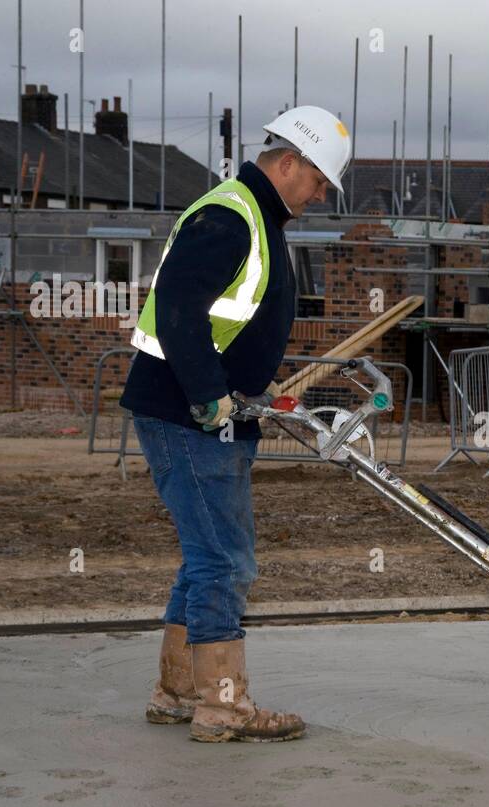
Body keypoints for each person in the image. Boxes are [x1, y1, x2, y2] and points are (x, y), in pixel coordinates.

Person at [119, 105, 351, 743]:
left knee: (206, 558)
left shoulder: (260, 217)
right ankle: (223, 707)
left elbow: (230, 318)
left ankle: (175, 691)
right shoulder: (230, 215)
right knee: (225, 560)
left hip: (204, 412)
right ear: (287, 163)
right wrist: (208, 396)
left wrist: (252, 387)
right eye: (320, 179)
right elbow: (178, 309)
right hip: (187, 416)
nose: (323, 192)